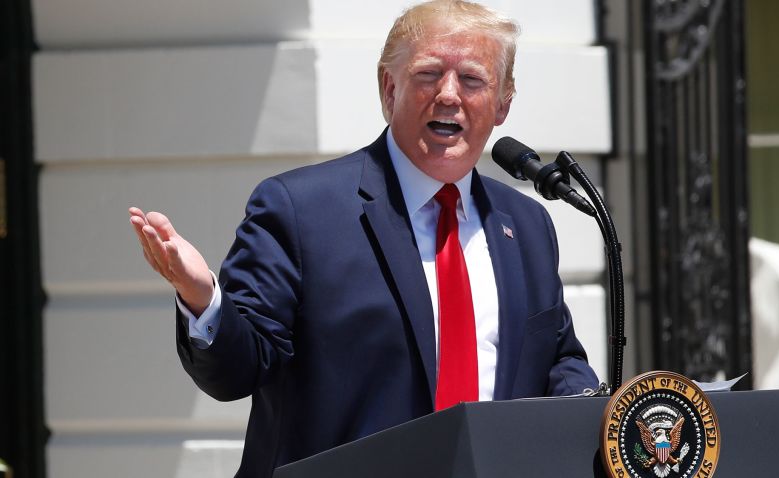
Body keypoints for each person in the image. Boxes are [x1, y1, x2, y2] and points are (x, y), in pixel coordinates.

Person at [129, 0, 598, 476]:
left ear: (502, 105)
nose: (449, 95)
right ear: (388, 88)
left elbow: (556, 360)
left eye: (473, 80)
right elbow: (238, 370)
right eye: (428, 74)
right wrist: (203, 298)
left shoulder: (526, 224)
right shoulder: (300, 210)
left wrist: (604, 419)